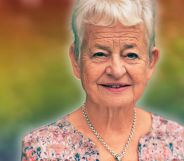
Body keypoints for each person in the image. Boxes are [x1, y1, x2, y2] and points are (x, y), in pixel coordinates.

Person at [21, 0, 184, 160]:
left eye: (131, 55)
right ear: (76, 60)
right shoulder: (41, 150)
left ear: (150, 62)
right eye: (100, 54)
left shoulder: (178, 142)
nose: (116, 70)